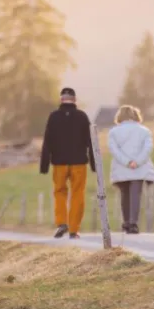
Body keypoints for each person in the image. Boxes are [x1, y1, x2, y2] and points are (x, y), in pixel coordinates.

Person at [40, 87, 96, 239]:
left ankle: (61, 223)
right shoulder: (82, 117)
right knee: (78, 193)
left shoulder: (54, 117)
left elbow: (47, 141)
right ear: (75, 100)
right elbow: (91, 142)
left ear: (61, 99)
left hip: (59, 163)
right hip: (79, 162)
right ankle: (74, 230)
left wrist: (44, 164)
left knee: (59, 192)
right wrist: (93, 163)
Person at [108, 104, 154, 234]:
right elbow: (148, 148)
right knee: (136, 194)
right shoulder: (144, 131)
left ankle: (126, 223)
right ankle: (133, 223)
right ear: (136, 116)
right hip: (139, 169)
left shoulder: (113, 132)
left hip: (121, 168)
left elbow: (114, 150)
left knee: (124, 195)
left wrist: (127, 161)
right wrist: (137, 162)